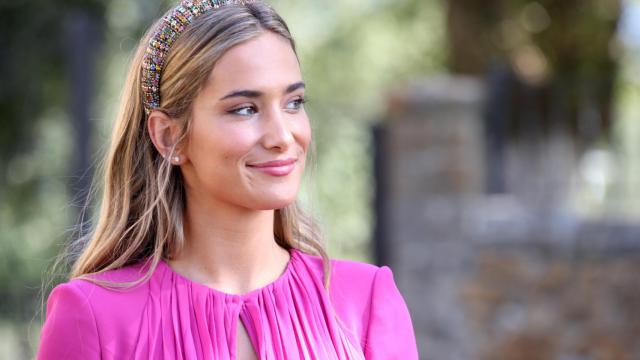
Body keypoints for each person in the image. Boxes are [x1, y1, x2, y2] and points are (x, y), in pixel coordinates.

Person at [36, 0, 418, 359]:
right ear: (169, 136)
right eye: (244, 109)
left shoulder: (364, 302)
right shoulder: (93, 316)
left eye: (293, 103)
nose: (282, 136)